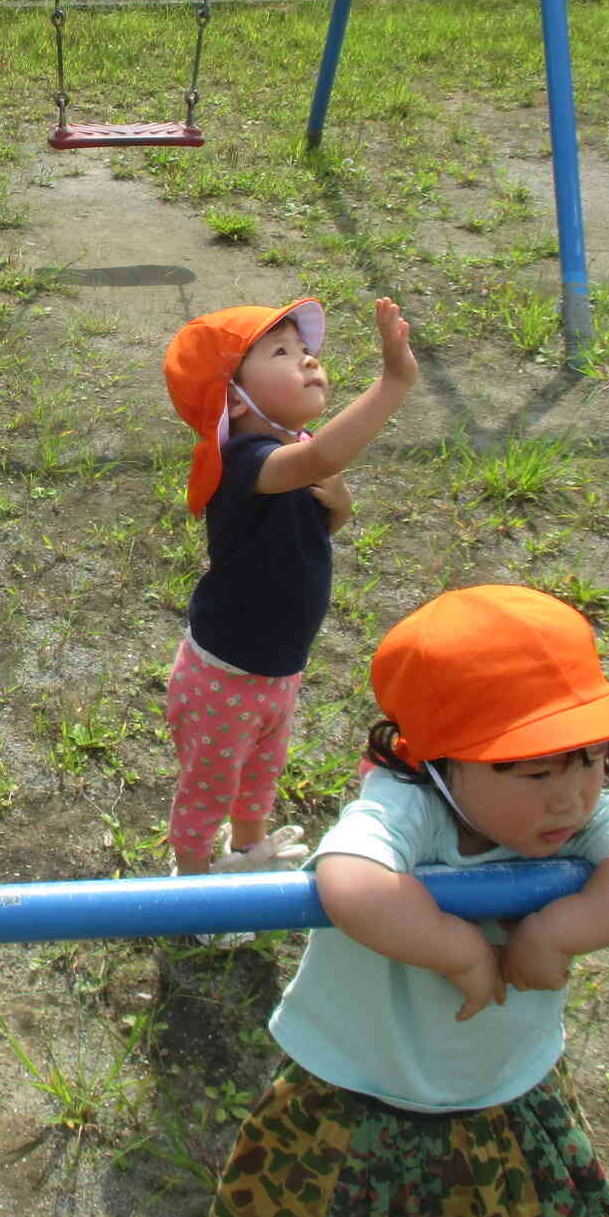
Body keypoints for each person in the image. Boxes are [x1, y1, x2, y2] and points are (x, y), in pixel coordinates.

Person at [213, 584, 609, 1217]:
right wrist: (461, 949)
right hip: (353, 1088)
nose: (571, 797)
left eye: (591, 760)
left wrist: (554, 933)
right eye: (536, 773)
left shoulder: (577, 815)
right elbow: (351, 880)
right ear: (442, 763)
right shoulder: (407, 805)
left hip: (502, 1087)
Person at [159, 297, 418, 886]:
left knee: (259, 774)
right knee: (209, 787)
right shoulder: (243, 460)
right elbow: (325, 454)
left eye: (306, 350)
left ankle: (248, 854)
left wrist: (339, 512)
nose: (308, 362)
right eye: (282, 352)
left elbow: (302, 524)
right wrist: (393, 382)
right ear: (232, 397)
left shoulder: (292, 450)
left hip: (277, 667)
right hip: (226, 675)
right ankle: (192, 879)